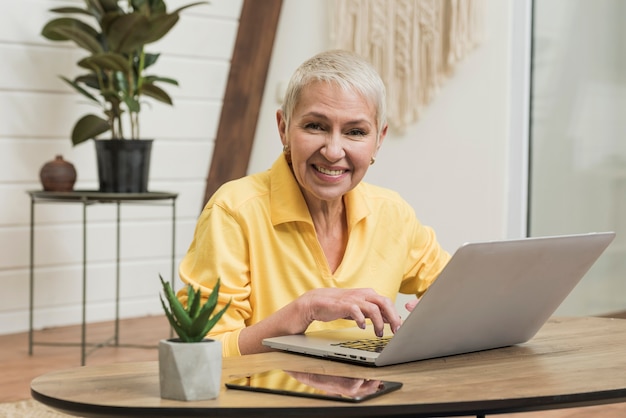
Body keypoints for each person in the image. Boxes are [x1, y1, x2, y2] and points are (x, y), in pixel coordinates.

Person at [178, 49, 451, 357]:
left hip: (369, 401)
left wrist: (446, 313)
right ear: (283, 128)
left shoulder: (393, 213)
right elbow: (199, 352)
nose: (333, 151)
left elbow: (462, 290)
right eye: (315, 126)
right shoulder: (234, 212)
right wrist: (303, 311)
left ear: (379, 139)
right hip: (263, 404)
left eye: (355, 132)